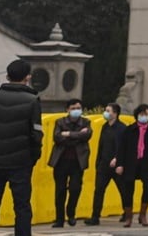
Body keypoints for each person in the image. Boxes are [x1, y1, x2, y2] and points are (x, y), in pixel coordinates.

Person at [0, 59, 43, 236]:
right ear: (27, 77)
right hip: (21, 163)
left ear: (7, 76)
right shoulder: (32, 100)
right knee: (21, 207)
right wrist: (32, 158)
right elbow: (36, 135)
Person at [115, 103, 148, 227]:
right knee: (128, 189)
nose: (144, 117)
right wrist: (119, 164)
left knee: (147, 187)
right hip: (131, 163)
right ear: (137, 115)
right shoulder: (129, 130)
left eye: (146, 114)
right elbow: (122, 148)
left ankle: (143, 215)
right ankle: (128, 216)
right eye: (142, 114)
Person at [48, 97, 93, 227]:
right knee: (60, 191)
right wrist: (77, 135)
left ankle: (71, 213)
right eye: (73, 108)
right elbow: (57, 138)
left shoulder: (86, 122)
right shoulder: (60, 122)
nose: (76, 110)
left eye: (78, 108)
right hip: (61, 161)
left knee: (75, 189)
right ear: (67, 110)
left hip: (77, 162)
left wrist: (68, 134)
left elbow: (87, 135)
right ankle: (59, 219)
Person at [85, 103, 129, 226]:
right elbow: (101, 146)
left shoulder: (122, 128)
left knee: (123, 190)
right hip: (104, 165)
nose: (106, 112)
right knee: (99, 191)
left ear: (115, 113)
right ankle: (95, 217)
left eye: (108, 110)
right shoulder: (105, 127)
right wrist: (98, 163)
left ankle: (127, 213)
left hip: (117, 166)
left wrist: (118, 159)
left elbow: (124, 147)